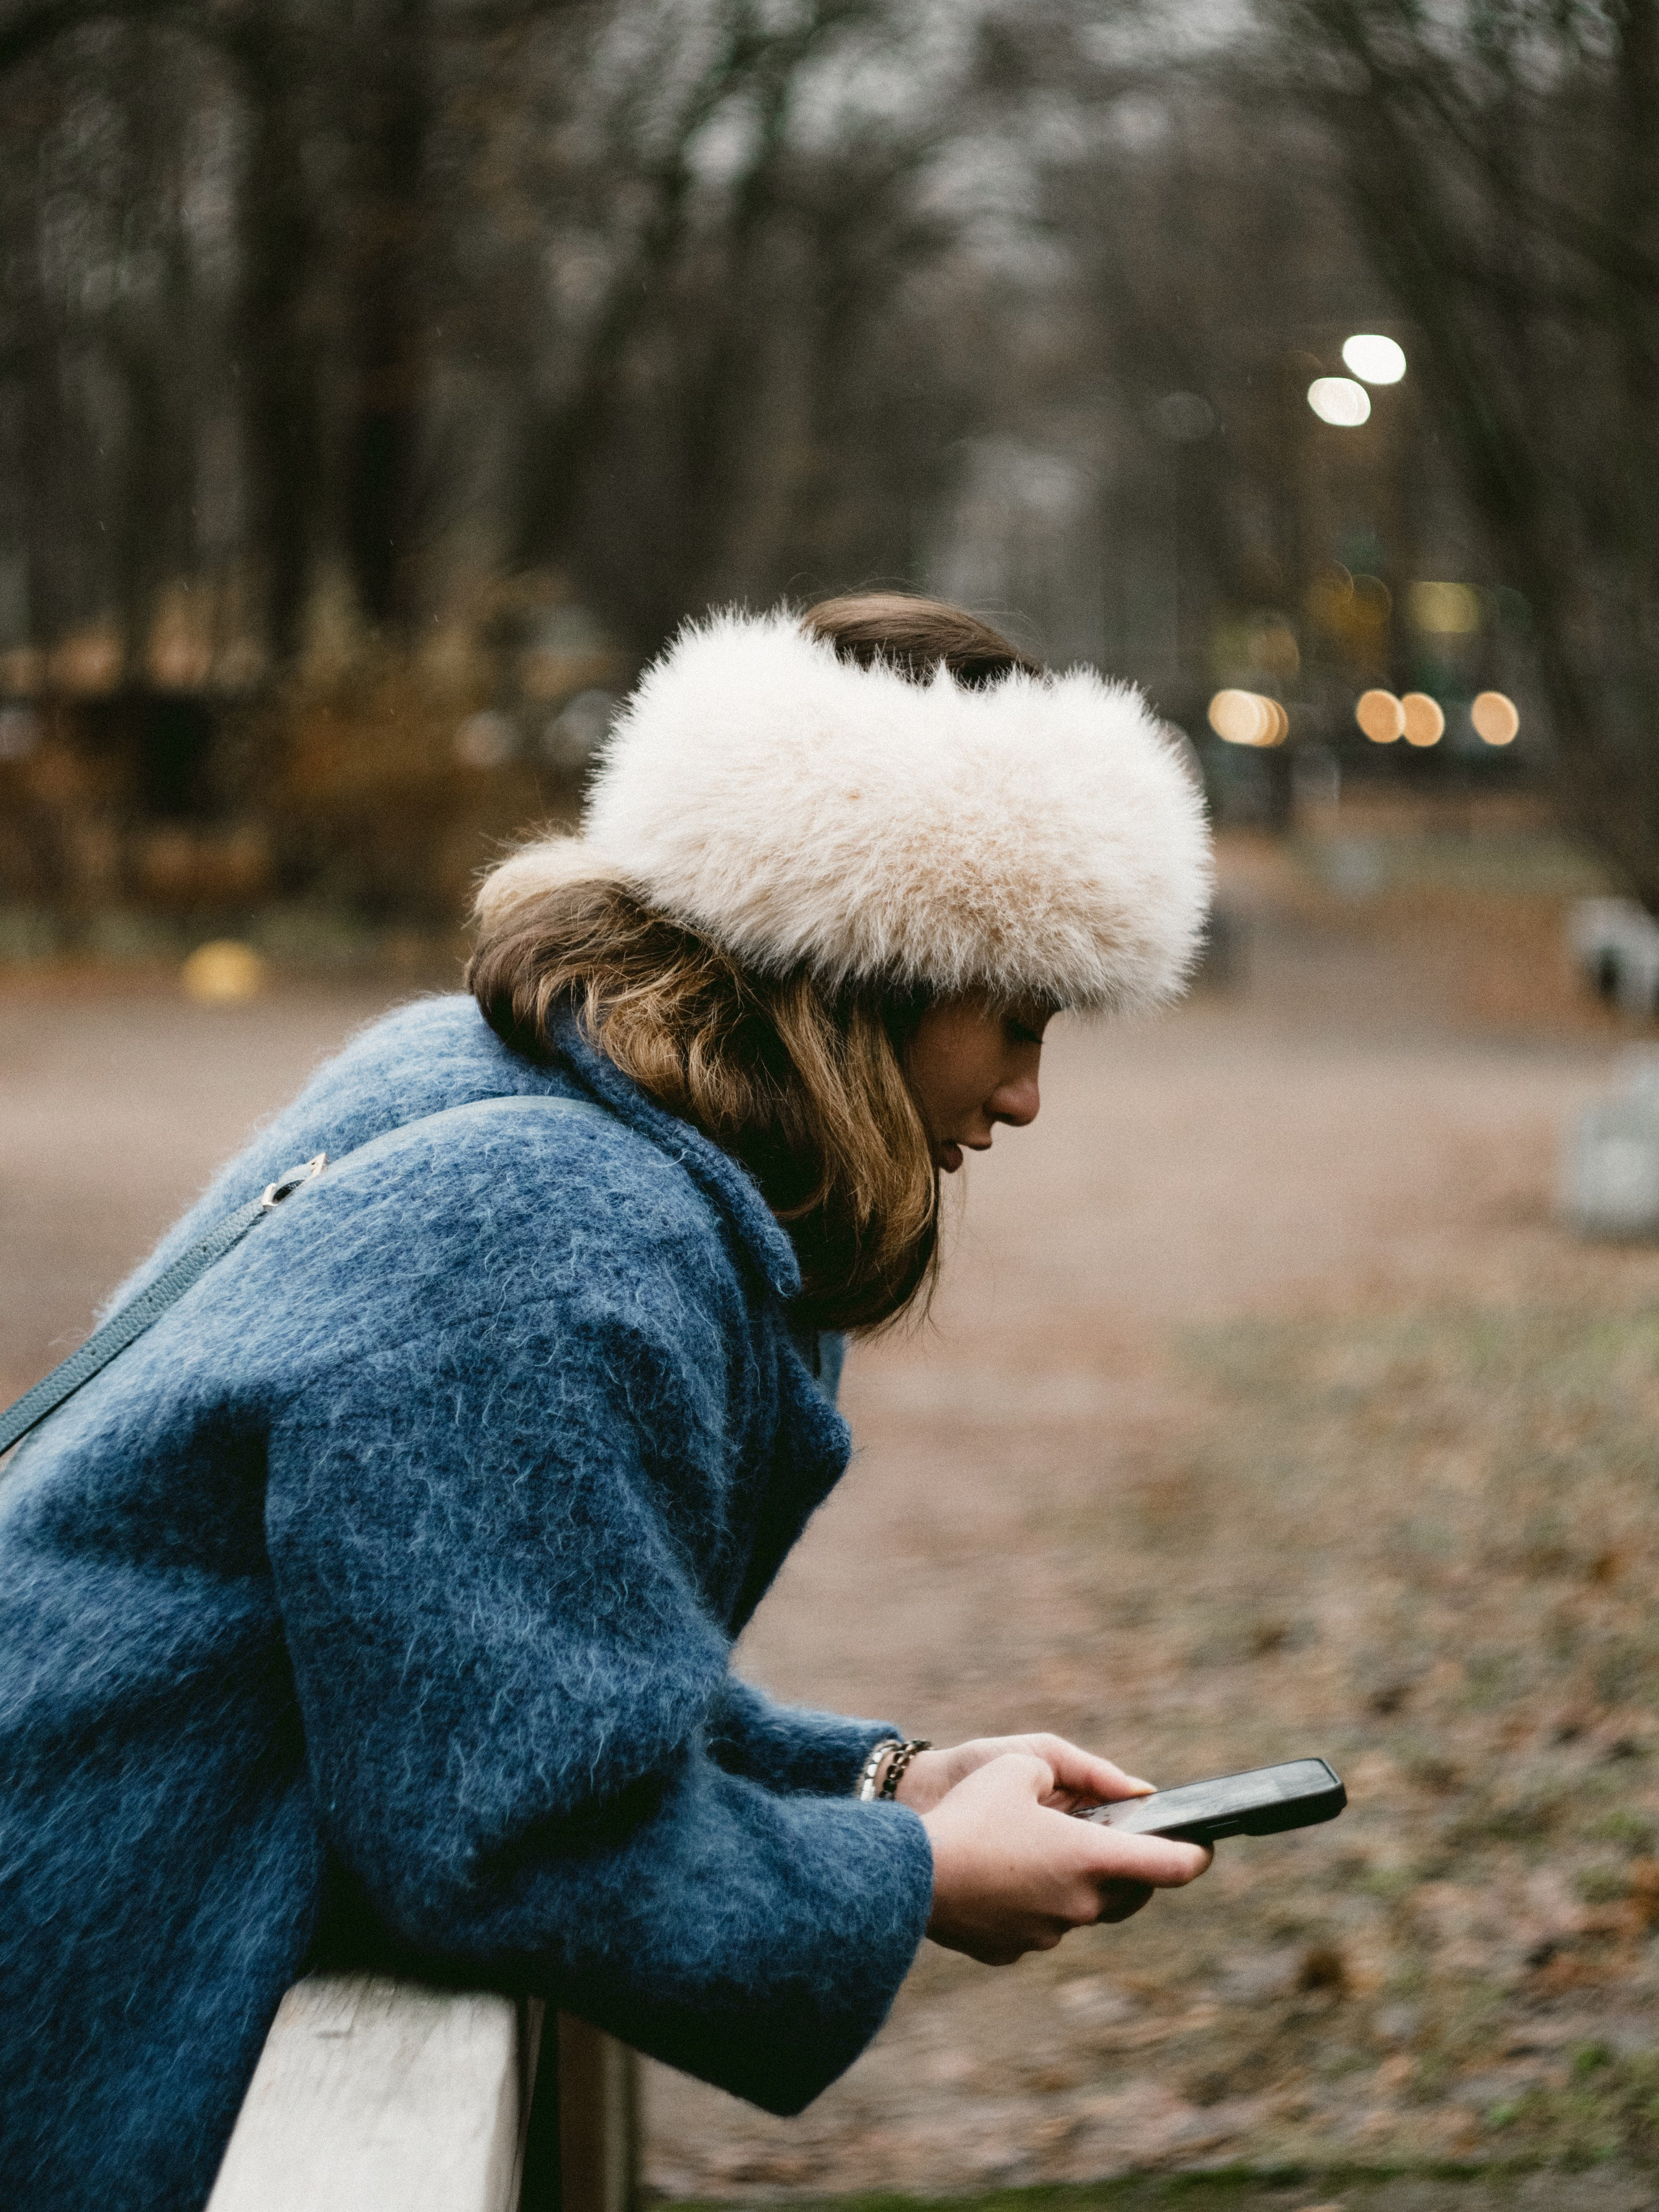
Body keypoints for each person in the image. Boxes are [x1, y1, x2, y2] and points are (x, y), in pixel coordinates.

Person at [0, 593, 1215, 2211]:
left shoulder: (492, 1076)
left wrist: (874, 1785)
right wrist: (913, 1877)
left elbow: (471, 1648)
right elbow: (515, 1835)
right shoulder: (558, 1238)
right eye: (1017, 1017)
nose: (1022, 1097)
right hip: (82, 1951)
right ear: (876, 965)